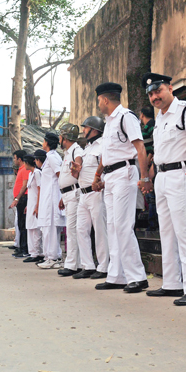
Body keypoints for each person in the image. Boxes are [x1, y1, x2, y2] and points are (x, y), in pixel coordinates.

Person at [141, 72, 186, 306]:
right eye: (150, 94)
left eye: (158, 90)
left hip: (182, 174)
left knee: (184, 230)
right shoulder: (160, 117)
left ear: (170, 87)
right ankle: (172, 283)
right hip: (162, 176)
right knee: (166, 231)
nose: (154, 96)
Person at [91, 82, 152, 293]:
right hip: (110, 176)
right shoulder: (109, 122)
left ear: (105, 99)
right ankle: (117, 275)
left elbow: (140, 148)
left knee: (124, 226)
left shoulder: (127, 117)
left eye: (99, 100)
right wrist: (98, 175)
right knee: (113, 226)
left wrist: (144, 177)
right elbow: (106, 155)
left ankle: (138, 276)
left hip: (125, 173)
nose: (98, 104)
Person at [70, 116, 110, 279]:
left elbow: (107, 167)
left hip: (96, 193)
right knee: (81, 229)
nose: (83, 131)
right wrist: (76, 171)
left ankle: (104, 266)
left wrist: (102, 183)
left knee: (100, 229)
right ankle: (88, 265)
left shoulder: (103, 146)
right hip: (83, 194)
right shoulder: (86, 148)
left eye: (85, 128)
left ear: (94, 130)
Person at [56, 123, 84, 277]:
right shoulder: (67, 153)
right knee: (72, 229)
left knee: (72, 229)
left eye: (61, 136)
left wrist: (77, 166)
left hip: (74, 194)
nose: (59, 139)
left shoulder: (76, 151)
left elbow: (78, 165)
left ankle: (73, 264)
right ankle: (76, 263)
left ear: (64, 138)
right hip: (67, 194)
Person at [37, 133, 66, 269]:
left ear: (47, 143)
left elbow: (60, 175)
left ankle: (53, 257)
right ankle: (50, 256)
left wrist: (62, 195)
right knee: (48, 228)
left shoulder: (53, 157)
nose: (42, 143)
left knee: (51, 228)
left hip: (52, 198)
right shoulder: (50, 157)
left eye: (43, 141)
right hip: (47, 198)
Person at [24, 149, 48, 263]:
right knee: (30, 228)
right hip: (31, 203)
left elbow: (40, 189)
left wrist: (37, 206)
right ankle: (32, 251)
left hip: (36, 204)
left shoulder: (38, 173)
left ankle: (38, 252)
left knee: (36, 228)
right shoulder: (30, 174)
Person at [10, 150, 29, 258]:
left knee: (23, 225)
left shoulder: (25, 169)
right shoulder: (21, 170)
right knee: (20, 224)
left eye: (15, 158)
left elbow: (25, 186)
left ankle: (24, 248)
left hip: (23, 199)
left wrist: (17, 198)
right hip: (20, 199)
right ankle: (21, 247)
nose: (14, 160)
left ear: (20, 159)